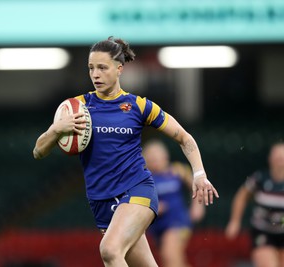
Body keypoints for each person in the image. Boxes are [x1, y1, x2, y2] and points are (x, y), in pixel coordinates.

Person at [33, 36, 219, 267]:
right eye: (91, 68)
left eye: (102, 67)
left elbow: (184, 137)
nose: (95, 74)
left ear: (119, 69)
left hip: (137, 189)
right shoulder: (77, 107)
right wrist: (56, 129)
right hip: (100, 200)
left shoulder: (139, 106)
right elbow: (38, 151)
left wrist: (199, 174)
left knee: (110, 251)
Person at [142, 140, 205, 267]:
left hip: (177, 221)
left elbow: (197, 185)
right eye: (151, 158)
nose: (154, 161)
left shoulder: (177, 171)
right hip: (157, 226)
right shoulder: (144, 178)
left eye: (157, 158)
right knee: (174, 260)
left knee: (169, 255)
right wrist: (151, 208)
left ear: (165, 157)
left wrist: (198, 206)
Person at [225, 142, 284, 267]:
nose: (280, 160)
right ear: (270, 158)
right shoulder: (260, 178)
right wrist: (235, 221)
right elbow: (241, 197)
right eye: (276, 156)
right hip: (263, 231)